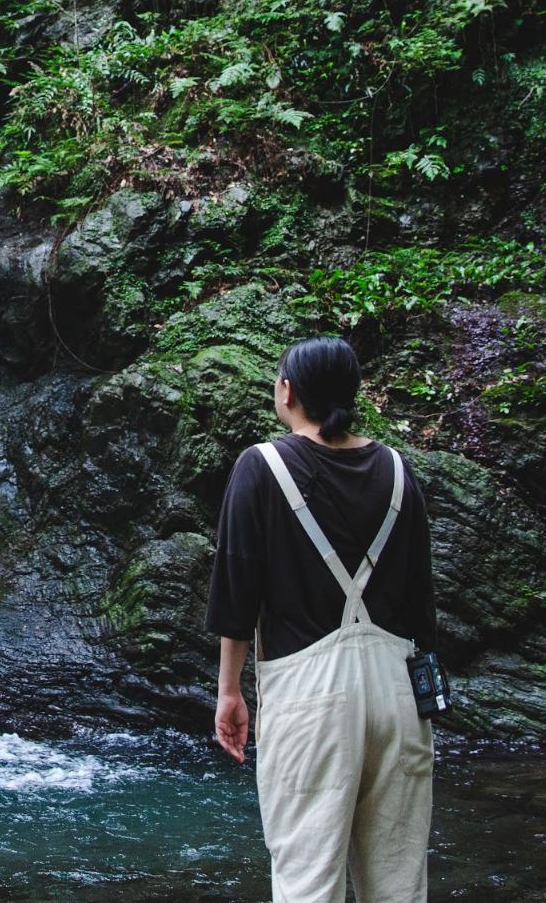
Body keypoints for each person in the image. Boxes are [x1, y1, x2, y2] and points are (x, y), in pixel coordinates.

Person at [207, 336, 437, 903]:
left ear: (288, 391)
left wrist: (230, 691)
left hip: (311, 702)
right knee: (399, 882)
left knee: (309, 881)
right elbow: (421, 599)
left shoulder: (260, 466)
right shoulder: (398, 470)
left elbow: (237, 591)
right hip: (397, 696)